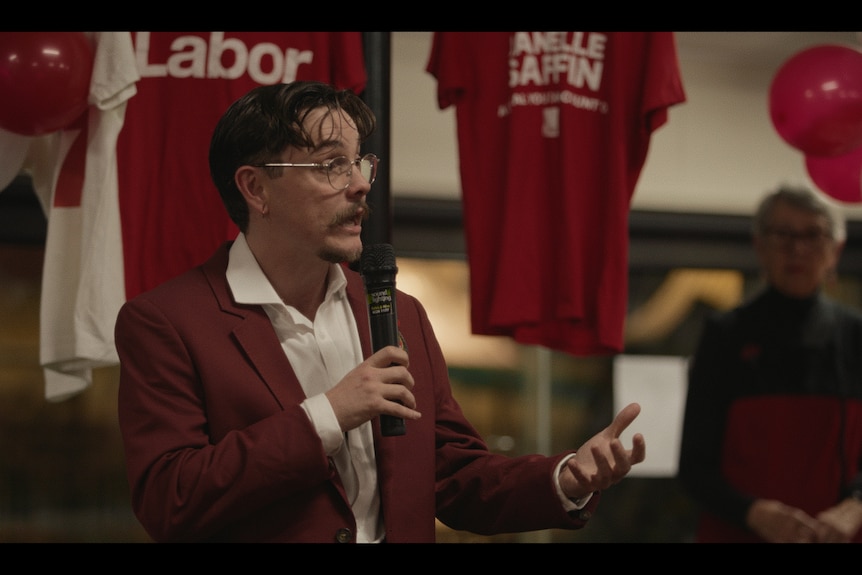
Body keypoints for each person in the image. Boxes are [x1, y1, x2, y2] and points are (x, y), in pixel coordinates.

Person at [115, 80, 646, 543]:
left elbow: (452, 475)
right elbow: (170, 500)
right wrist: (328, 415)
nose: (361, 183)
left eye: (360, 161)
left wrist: (567, 479)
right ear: (256, 188)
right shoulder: (168, 322)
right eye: (331, 165)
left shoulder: (398, 312)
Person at [678, 185, 862, 543]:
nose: (798, 249)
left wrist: (857, 503)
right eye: (783, 235)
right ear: (759, 245)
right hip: (741, 533)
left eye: (813, 235)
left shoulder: (856, 336)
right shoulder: (724, 336)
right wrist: (753, 512)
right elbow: (694, 467)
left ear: (835, 250)